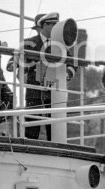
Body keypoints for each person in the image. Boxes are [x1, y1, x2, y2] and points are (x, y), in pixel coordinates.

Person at [22, 12, 76, 140]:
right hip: (34, 92)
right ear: (45, 25)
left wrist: (66, 74)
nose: (55, 28)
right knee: (31, 128)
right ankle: (29, 150)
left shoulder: (61, 45)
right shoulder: (28, 43)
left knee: (55, 129)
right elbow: (16, 62)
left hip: (54, 94)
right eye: (53, 25)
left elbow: (73, 64)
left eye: (57, 25)